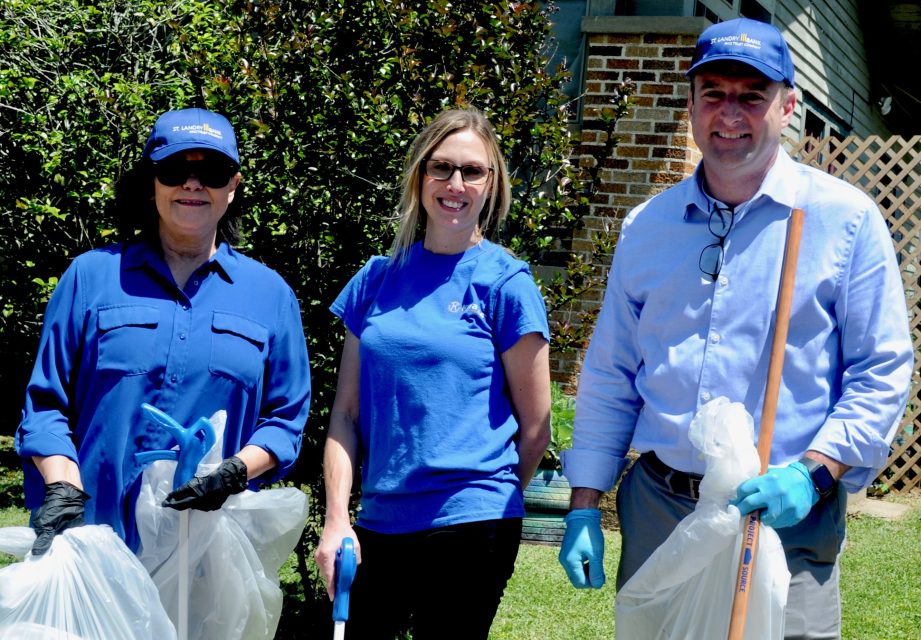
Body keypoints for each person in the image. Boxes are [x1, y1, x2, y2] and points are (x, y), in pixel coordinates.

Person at [558, 17, 913, 639]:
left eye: (752, 96)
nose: (730, 113)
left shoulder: (843, 220)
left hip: (784, 515)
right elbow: (611, 372)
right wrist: (584, 502)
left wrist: (814, 472)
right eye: (714, 93)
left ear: (788, 107)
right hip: (663, 509)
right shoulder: (648, 227)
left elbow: (881, 370)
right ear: (691, 104)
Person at [16, 107, 312, 555]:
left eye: (212, 172)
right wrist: (63, 484)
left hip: (207, 552)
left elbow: (285, 419)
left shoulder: (271, 296)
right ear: (152, 181)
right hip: (91, 542)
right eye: (175, 169)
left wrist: (235, 471)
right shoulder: (90, 277)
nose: (192, 184)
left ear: (233, 186)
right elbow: (45, 404)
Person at [314, 107, 551, 639]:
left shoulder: (506, 283)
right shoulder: (375, 279)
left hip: (472, 522)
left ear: (492, 184)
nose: (455, 184)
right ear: (420, 176)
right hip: (378, 522)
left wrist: (488, 501)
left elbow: (537, 430)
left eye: (473, 171)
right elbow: (346, 416)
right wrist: (336, 520)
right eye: (441, 167)